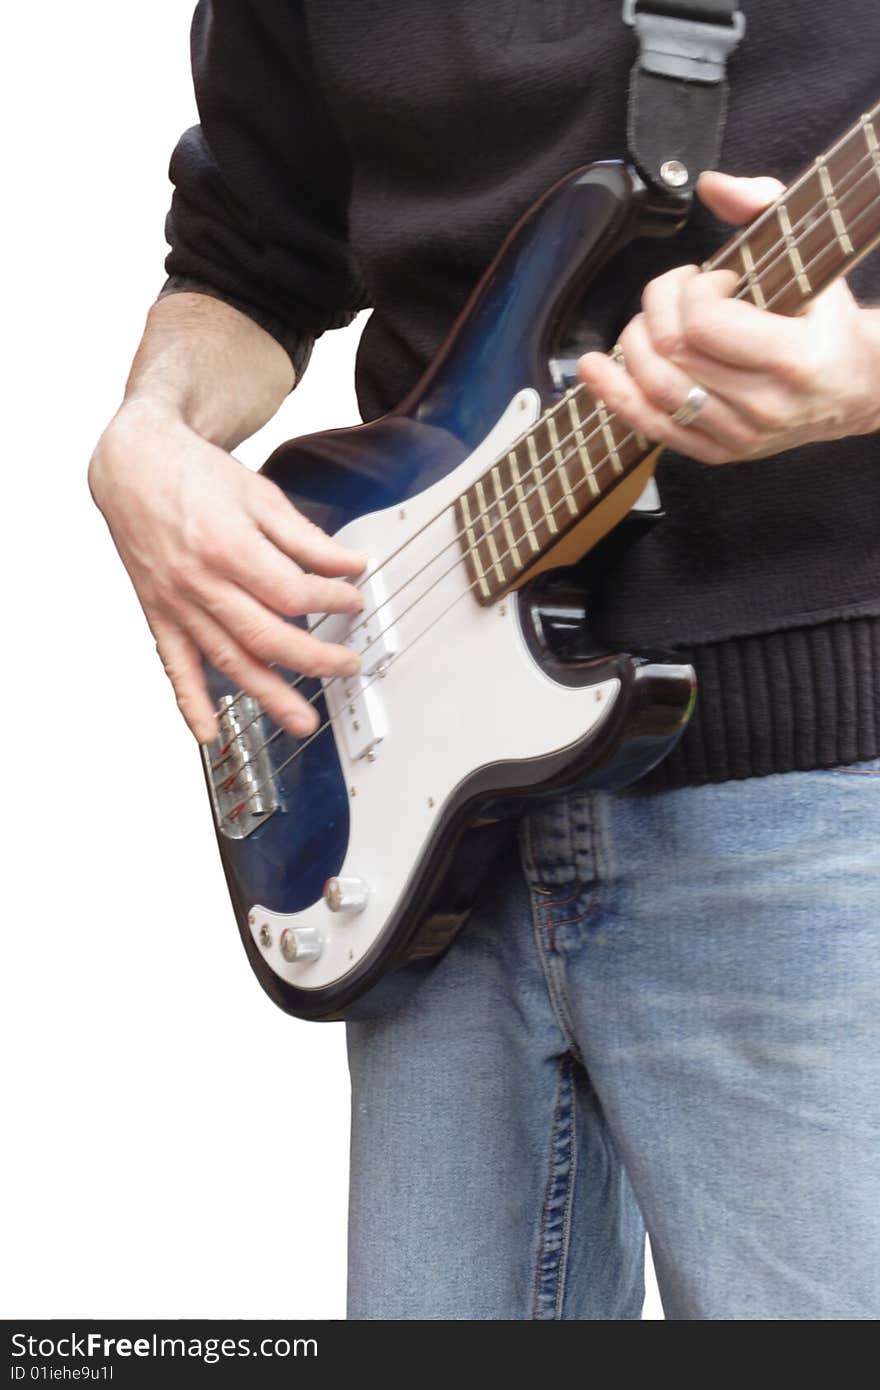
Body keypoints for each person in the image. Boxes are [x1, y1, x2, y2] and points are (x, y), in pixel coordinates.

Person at [89, 2, 880, 1319]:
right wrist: (149, 431)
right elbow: (247, 250)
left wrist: (866, 374)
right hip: (414, 808)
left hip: (808, 806)